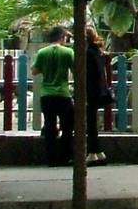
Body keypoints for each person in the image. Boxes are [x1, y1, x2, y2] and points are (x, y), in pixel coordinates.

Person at [32, 26, 75, 166]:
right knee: (67, 126)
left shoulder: (42, 52)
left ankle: (51, 159)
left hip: (47, 94)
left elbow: (35, 71)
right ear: (62, 37)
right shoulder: (68, 52)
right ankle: (65, 156)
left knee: (50, 126)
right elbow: (76, 69)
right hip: (63, 94)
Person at [84, 26, 112, 167]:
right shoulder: (98, 52)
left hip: (90, 92)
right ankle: (98, 152)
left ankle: (92, 152)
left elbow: (89, 75)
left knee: (90, 123)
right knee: (92, 122)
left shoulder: (88, 54)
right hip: (99, 91)